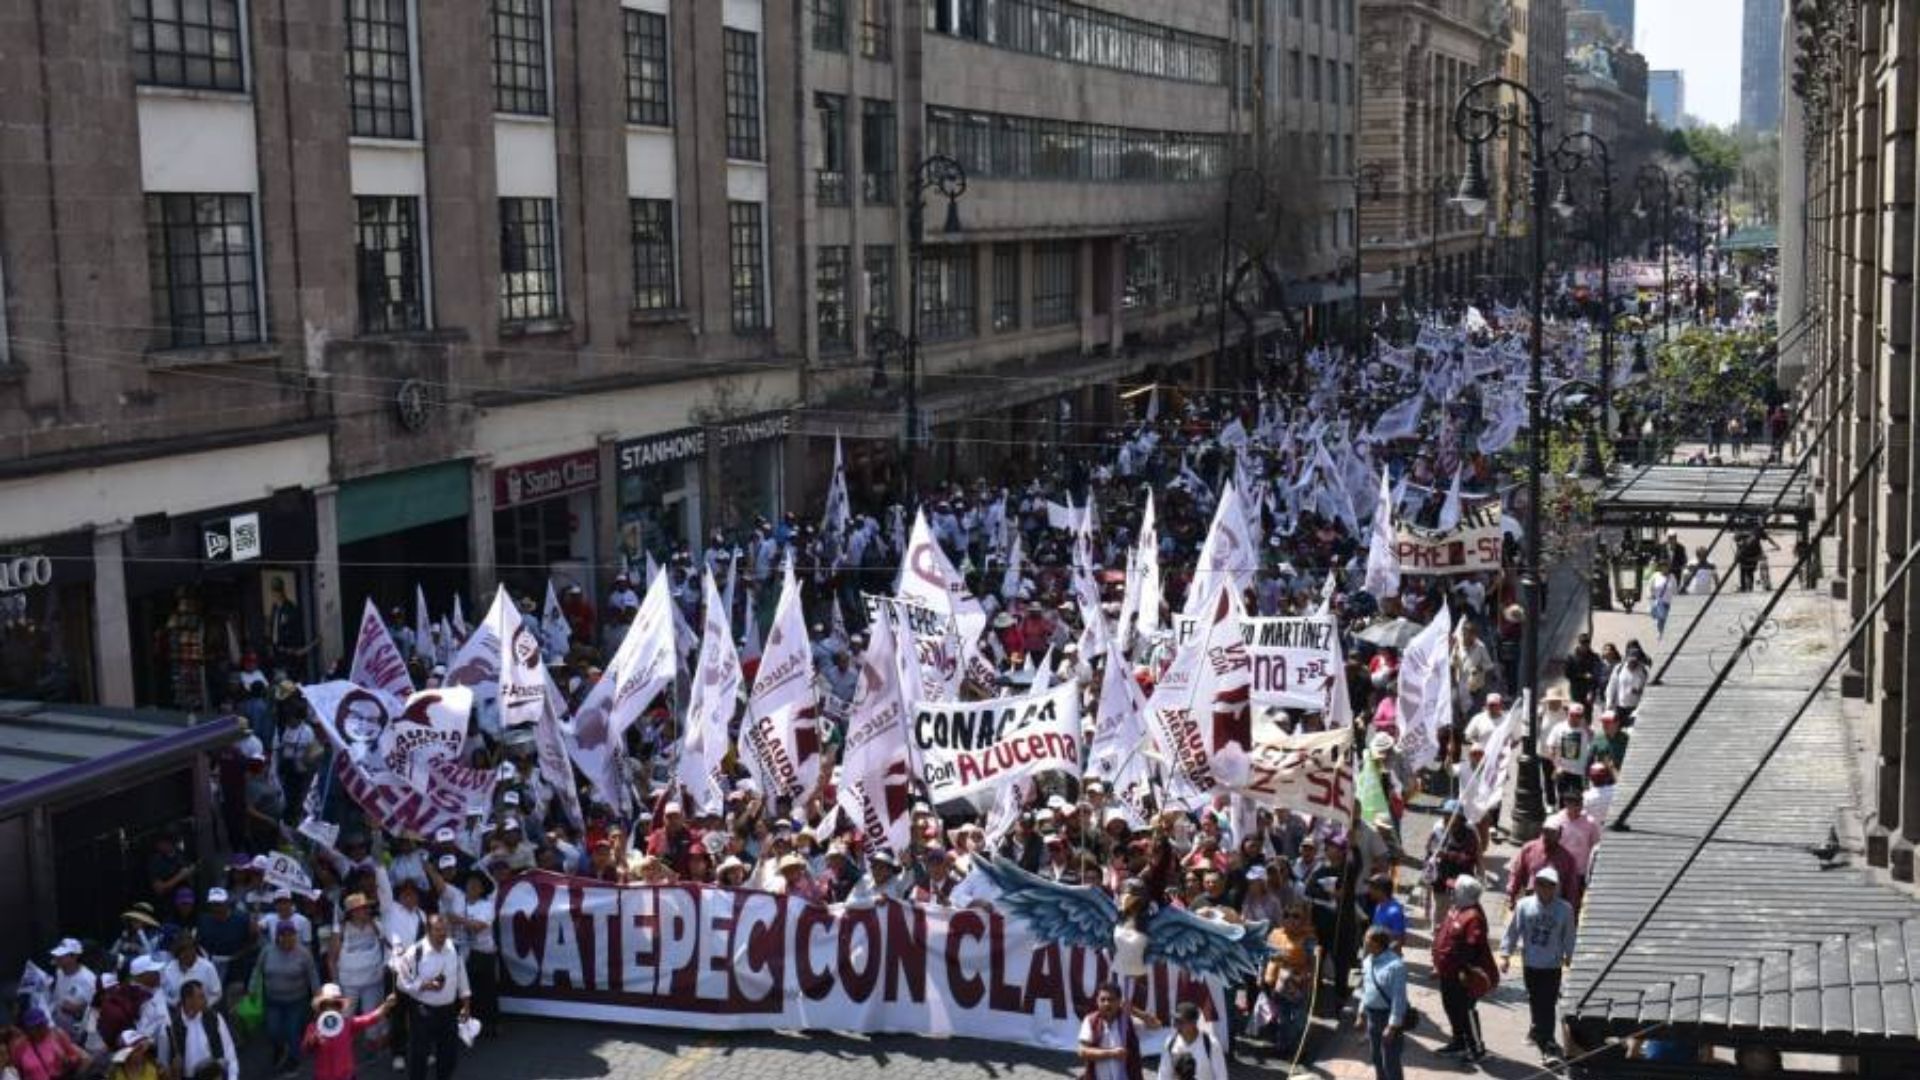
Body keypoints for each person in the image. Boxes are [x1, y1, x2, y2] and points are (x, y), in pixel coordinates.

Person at [1500, 867, 1578, 1058]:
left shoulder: (1564, 909)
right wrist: (1505, 954)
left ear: (1556, 887)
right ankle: (1536, 1030)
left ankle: (1548, 1042)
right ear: (1535, 885)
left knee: (1548, 1003)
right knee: (1535, 999)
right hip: (1531, 963)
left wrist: (1571, 956)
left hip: (1552, 965)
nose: (1545, 888)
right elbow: (1513, 931)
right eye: (1541, 884)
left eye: (1550, 885)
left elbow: (1569, 935)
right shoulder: (1524, 905)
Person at [396, 915, 471, 1080]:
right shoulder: (415, 952)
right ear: (428, 931)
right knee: (419, 1056)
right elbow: (401, 982)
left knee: (449, 1056)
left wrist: (466, 1005)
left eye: (445, 930)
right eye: (437, 930)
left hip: (448, 1011)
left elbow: (462, 978)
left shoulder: (454, 950)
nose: (442, 933)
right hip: (423, 1011)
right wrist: (423, 985)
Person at [1431, 876, 1496, 1063]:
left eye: (1454, 889)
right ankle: (1459, 1042)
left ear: (1464, 893)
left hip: (1462, 976)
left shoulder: (1474, 917)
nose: (1450, 892)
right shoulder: (1457, 907)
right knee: (1451, 1008)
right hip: (1447, 972)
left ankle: (1477, 1049)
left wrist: (1463, 971)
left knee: (1465, 1010)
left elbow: (1471, 948)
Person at [254, 920, 320, 1074]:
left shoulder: (303, 953)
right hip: (273, 1000)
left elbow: (313, 975)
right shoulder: (267, 951)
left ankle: (294, 1060)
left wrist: (318, 996)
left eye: (291, 935)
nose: (287, 938)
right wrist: (252, 988)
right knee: (273, 1030)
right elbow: (257, 969)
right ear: (277, 937)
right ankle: (280, 1048)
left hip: (296, 1000)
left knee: (292, 1031)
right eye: (283, 935)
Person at [304, 985, 396, 1080]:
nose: (330, 1009)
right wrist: (313, 1039)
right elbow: (306, 1049)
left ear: (340, 1008)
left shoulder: (347, 1024)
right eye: (325, 1005)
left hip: (346, 1076)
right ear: (320, 1008)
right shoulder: (313, 1027)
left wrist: (386, 1005)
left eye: (335, 1005)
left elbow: (369, 1019)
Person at [1353, 927, 1407, 1080]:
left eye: (1367, 939)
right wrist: (1360, 1014)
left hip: (1387, 1018)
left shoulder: (1396, 966)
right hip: (1372, 1017)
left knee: (1390, 1062)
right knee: (1376, 1058)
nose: (1364, 942)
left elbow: (1399, 998)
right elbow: (1365, 989)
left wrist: (1392, 1026)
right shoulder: (1368, 961)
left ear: (1377, 943)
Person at [1077, 981, 1158, 1080]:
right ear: (1097, 1001)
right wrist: (1112, 1054)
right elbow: (1083, 1052)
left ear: (1119, 1001)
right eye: (1103, 1000)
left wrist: (1134, 1011)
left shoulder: (1128, 1020)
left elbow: (1156, 1025)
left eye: (1111, 1000)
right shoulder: (1090, 1021)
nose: (1107, 1003)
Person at [160, 982, 237, 1080]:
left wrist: (232, 1077)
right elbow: (163, 1065)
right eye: (201, 997)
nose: (206, 1000)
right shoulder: (170, 1028)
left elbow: (229, 1051)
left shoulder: (214, 1018)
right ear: (188, 1000)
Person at [1154, 1001, 1226, 1080]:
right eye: (1175, 1021)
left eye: (1180, 1022)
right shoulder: (1170, 1042)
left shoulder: (1211, 1044)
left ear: (1193, 1023)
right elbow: (1164, 1075)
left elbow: (1221, 1076)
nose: (1176, 1025)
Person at [8, 1009, 86, 1080]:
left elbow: (75, 1056)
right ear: (28, 1029)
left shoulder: (57, 1035)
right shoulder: (20, 1046)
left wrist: (68, 1061)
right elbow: (16, 1071)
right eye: (37, 1027)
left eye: (43, 1024)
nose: (42, 1028)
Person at [1647, 564, 1675, 639]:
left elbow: (1675, 588)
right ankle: (1660, 632)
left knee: (1663, 618)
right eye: (1663, 567)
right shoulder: (1655, 576)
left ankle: (1660, 632)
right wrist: (1650, 594)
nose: (1665, 569)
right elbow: (1649, 586)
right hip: (1657, 600)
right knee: (1661, 617)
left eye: (1666, 567)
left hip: (1667, 601)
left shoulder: (1672, 577)